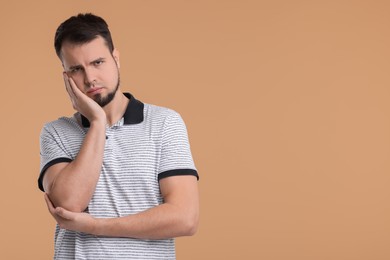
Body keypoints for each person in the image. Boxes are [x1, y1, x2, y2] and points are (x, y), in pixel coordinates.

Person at [38, 13, 199, 260]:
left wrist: (94, 226)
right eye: (77, 69)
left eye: (98, 63)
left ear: (116, 58)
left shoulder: (165, 123)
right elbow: (69, 204)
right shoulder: (56, 132)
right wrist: (98, 122)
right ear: (66, 77)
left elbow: (185, 218)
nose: (90, 78)